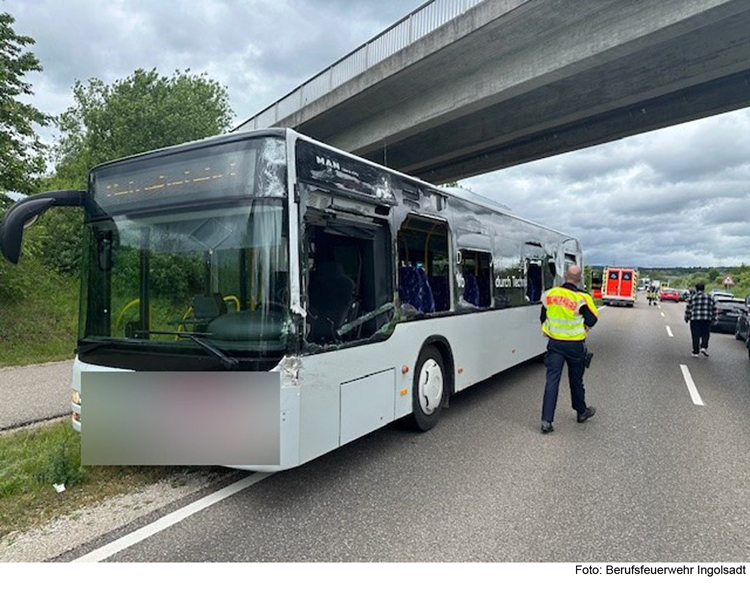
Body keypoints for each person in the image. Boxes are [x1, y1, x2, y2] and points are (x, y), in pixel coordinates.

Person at [539, 265, 598, 434]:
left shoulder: (550, 294)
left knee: (552, 381)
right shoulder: (582, 298)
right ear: (579, 279)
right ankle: (581, 412)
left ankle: (546, 421)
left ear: (565, 276)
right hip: (575, 345)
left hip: (555, 344)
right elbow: (592, 320)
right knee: (576, 380)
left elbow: (543, 317)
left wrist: (549, 330)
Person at [684, 282, 716, 357]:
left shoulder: (693, 297)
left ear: (696, 288)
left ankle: (695, 352)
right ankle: (704, 347)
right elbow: (714, 308)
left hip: (695, 319)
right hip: (706, 318)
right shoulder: (710, 297)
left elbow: (688, 308)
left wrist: (687, 317)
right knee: (705, 333)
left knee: (695, 335)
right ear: (704, 288)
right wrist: (714, 318)